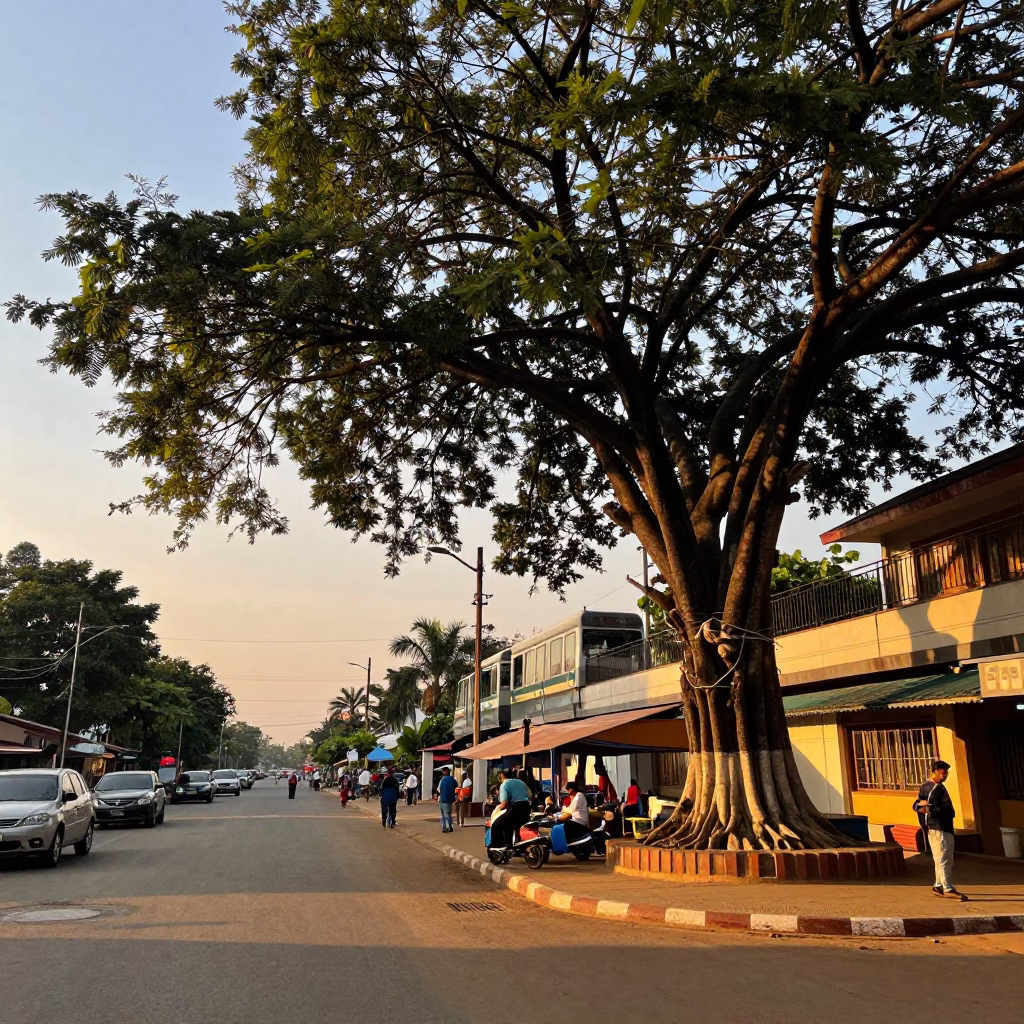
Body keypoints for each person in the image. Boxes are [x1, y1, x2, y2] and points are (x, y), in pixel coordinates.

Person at [914, 759, 968, 901]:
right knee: (944, 859)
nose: (945, 776)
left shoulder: (926, 787)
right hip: (939, 827)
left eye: (946, 774)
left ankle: (938, 885)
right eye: (943, 773)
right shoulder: (934, 789)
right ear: (934, 772)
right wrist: (929, 812)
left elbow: (917, 804)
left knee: (941, 859)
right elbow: (920, 806)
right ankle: (947, 887)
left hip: (938, 827)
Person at [488, 767, 532, 850]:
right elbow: (530, 796)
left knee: (496, 825)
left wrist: (497, 809)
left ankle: (498, 848)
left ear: (501, 775)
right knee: (508, 824)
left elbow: (504, 803)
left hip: (515, 809)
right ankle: (510, 844)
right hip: (526, 809)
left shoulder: (504, 784)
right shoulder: (521, 782)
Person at [555, 780, 591, 844]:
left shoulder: (579, 795)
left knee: (563, 825)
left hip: (580, 822)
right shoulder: (576, 796)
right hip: (576, 821)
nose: (568, 791)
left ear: (571, 789)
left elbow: (570, 809)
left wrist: (563, 810)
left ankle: (566, 843)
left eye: (568, 789)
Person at [436, 766, 457, 833]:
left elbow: (438, 790)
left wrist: (437, 797)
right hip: (450, 799)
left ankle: (446, 827)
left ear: (444, 772)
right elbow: (456, 789)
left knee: (443, 814)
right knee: (448, 813)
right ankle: (449, 826)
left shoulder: (442, 780)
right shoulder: (453, 780)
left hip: (443, 799)